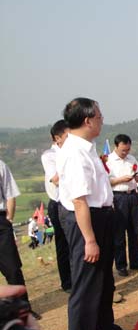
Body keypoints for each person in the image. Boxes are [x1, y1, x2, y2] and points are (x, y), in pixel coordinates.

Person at [56, 97, 138, 330]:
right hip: (85, 220)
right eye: (99, 116)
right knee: (87, 283)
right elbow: (79, 200)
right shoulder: (74, 153)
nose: (102, 120)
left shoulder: (86, 147)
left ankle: (106, 329)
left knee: (104, 279)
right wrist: (89, 240)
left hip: (100, 216)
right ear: (88, 120)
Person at [106, 134, 138, 277]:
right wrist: (121, 179)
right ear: (116, 146)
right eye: (123, 150)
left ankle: (135, 262)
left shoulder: (131, 159)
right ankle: (121, 265)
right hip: (118, 197)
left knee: (135, 231)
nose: (126, 153)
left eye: (128, 149)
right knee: (119, 233)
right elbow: (106, 182)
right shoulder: (108, 161)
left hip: (132, 196)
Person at [41, 120, 72, 291]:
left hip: (74, 202)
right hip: (59, 204)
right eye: (68, 135)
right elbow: (56, 179)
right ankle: (67, 282)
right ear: (57, 138)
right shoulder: (49, 156)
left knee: (77, 243)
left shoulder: (74, 152)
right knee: (63, 244)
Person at [0, 160, 25, 286]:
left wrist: (9, 219)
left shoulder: (1, 165)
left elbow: (10, 194)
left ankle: (20, 299)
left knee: (12, 268)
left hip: (1, 222)